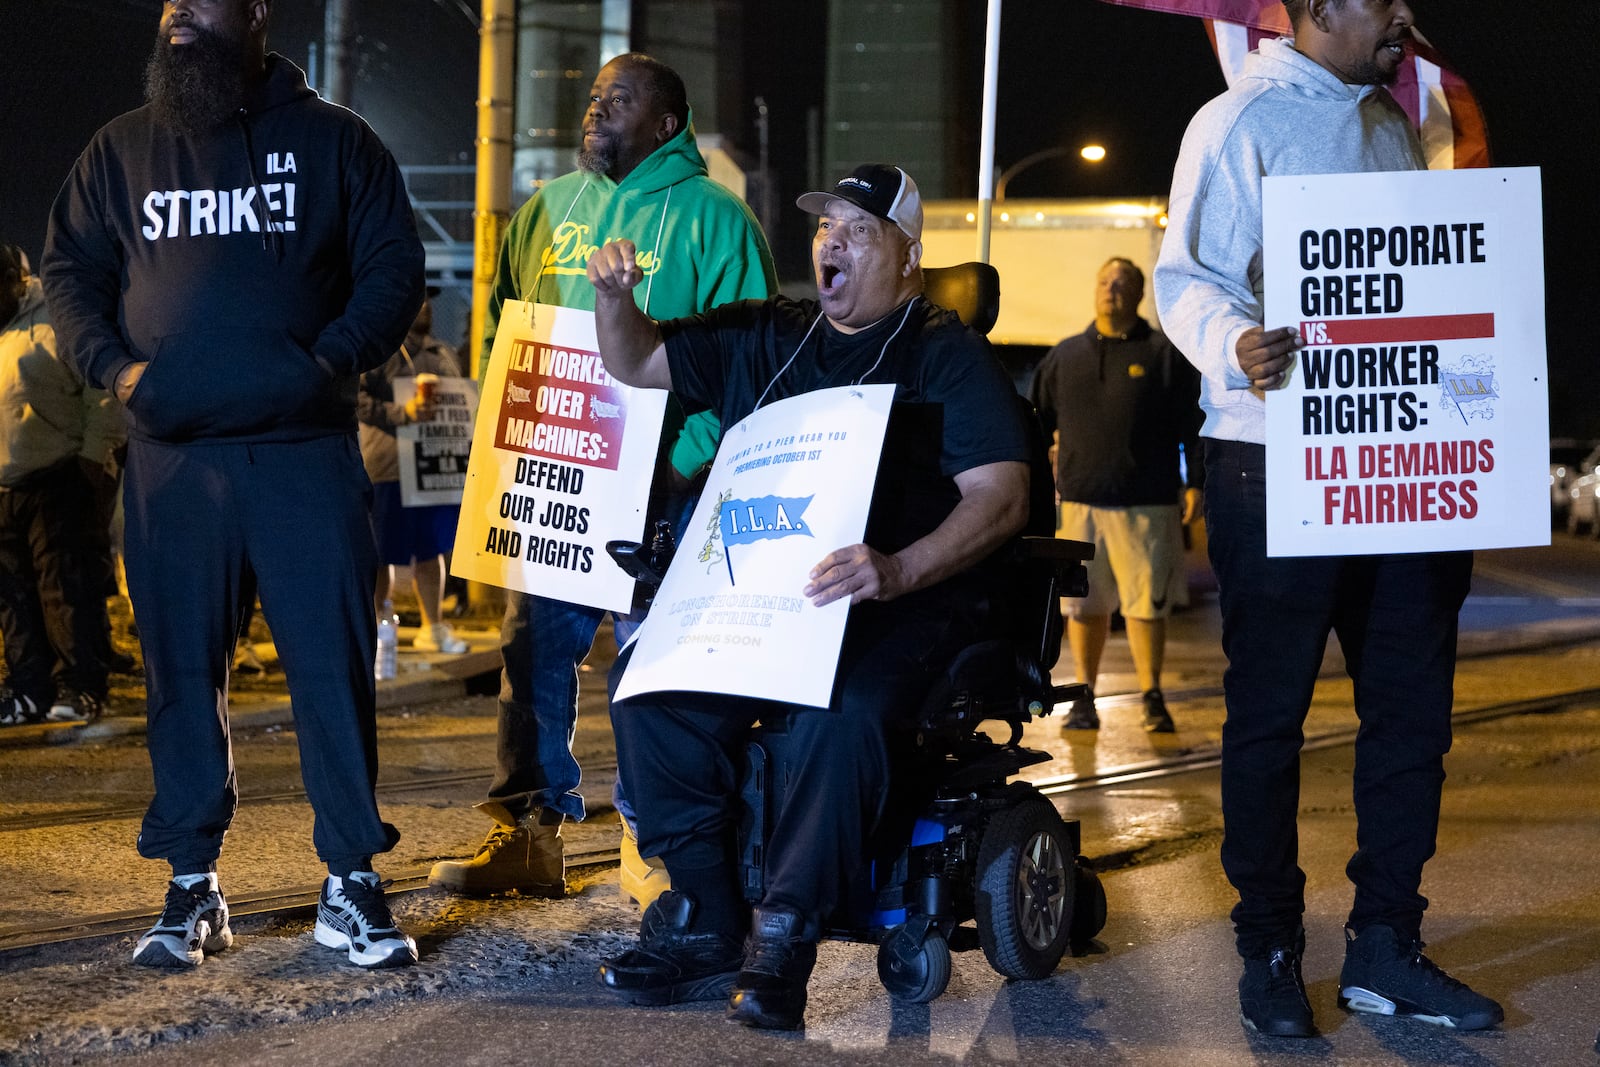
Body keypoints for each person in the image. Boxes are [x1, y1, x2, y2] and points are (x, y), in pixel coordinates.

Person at [586, 163, 1031, 1031]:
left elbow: (1002, 494)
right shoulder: (767, 332)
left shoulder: (944, 349)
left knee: (839, 713)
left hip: (891, 601)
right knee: (651, 692)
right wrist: (612, 295)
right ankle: (710, 915)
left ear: (909, 257)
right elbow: (637, 358)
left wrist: (897, 568)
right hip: (760, 599)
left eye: (860, 229)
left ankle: (784, 937)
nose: (833, 240)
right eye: (826, 224)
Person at [42, 0, 424, 970]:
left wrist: (326, 358)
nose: (178, 12)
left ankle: (350, 880)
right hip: (173, 460)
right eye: (170, 0)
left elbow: (392, 267)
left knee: (330, 673)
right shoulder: (121, 150)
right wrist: (118, 372)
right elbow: (71, 269)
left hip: (303, 453)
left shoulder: (337, 143)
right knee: (179, 675)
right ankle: (191, 883)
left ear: (254, 15)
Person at [1153, 0, 1502, 1037]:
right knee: (1268, 718)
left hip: (1394, 460)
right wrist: (1233, 341)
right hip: (1270, 457)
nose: (1403, 16)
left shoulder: (1395, 124)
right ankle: (1267, 943)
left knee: (1411, 716)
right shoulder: (1235, 123)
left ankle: (1385, 942)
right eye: (1379, 0)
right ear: (1311, 11)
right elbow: (1187, 276)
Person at [427, 53, 776, 901]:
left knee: (652, 669)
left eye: (618, 102)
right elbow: (502, 326)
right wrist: (506, 439)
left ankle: (649, 847)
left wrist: (689, 465)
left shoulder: (716, 220)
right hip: (558, 484)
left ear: (666, 124)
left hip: (670, 495)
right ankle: (530, 834)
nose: (596, 112)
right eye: (592, 100)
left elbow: (755, 361)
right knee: (531, 655)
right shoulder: (547, 210)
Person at [1030, 257, 1202, 735]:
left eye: (1123, 282)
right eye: (1105, 280)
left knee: (1148, 605)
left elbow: (1193, 427)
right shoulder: (1065, 357)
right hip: (1080, 507)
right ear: (1094, 289)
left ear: (1140, 294)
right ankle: (1084, 696)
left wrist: (1196, 484)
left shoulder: (1164, 356)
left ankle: (1152, 695)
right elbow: (1037, 427)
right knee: (1084, 608)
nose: (1112, 289)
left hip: (1147, 504)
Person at [0, 241, 122, 726]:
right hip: (4, 485)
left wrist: (93, 460)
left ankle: (81, 685)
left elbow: (102, 388)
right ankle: (28, 689)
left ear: (14, 280)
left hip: (59, 477)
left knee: (66, 590)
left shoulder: (57, 315)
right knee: (14, 598)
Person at [357, 293, 470, 655]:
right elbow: (355, 399)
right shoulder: (378, 351)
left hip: (433, 471)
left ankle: (432, 626)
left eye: (429, 299)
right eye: (417, 298)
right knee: (379, 553)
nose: (424, 305)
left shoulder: (442, 352)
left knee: (431, 549)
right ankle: (377, 629)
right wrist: (403, 413)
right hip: (390, 467)